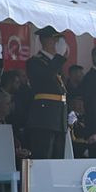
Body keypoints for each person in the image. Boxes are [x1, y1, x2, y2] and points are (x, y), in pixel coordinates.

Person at [25, 27, 69, 159]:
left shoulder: (54, 63)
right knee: (44, 156)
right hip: (44, 118)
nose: (59, 43)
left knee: (58, 159)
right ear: (48, 41)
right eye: (56, 39)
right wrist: (59, 58)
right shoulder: (35, 62)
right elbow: (46, 78)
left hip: (58, 118)